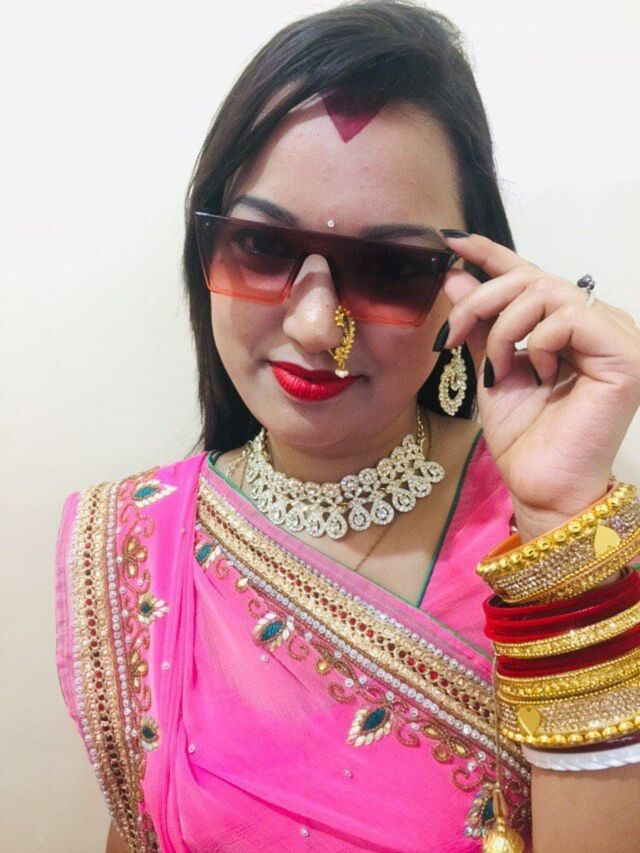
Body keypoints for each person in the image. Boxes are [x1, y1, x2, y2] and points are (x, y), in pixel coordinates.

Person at [53, 1, 640, 851]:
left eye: (391, 267)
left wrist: (559, 521)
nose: (314, 325)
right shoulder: (140, 540)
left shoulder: (577, 540)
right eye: (262, 246)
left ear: (470, 282)